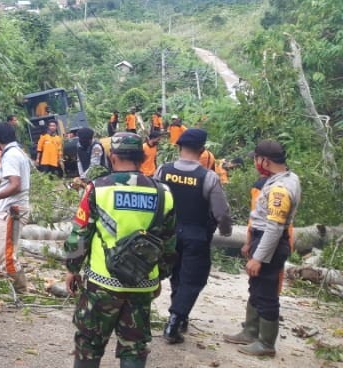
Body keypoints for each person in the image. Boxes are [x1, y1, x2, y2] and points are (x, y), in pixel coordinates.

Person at [62, 132, 177, 368]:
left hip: (102, 284)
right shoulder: (163, 193)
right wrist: (157, 279)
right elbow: (169, 244)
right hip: (142, 283)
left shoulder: (98, 189)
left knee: (89, 343)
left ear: (112, 156)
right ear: (143, 157)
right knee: (134, 347)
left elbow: (79, 235)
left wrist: (72, 269)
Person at [223, 140, 301, 358]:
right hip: (263, 239)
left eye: (256, 158)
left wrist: (258, 257)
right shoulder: (285, 178)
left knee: (266, 293)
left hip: (271, 243)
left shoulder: (280, 189)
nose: (256, 163)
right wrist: (251, 243)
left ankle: (266, 343)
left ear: (265, 161)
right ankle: (251, 331)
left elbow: (274, 228)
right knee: (257, 287)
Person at [155, 128, 232, 344]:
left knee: (177, 275)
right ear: (202, 151)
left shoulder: (162, 171)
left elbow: (154, 200)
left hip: (167, 233)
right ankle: (175, 320)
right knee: (192, 278)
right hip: (196, 234)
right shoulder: (208, 177)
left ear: (179, 147)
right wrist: (226, 231)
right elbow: (221, 212)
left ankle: (180, 316)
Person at [0, 121, 32, 292]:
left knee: (8, 256)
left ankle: (21, 289)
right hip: (5, 210)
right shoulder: (15, 152)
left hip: (13, 211)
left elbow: (15, 184)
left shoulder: (11, 155)